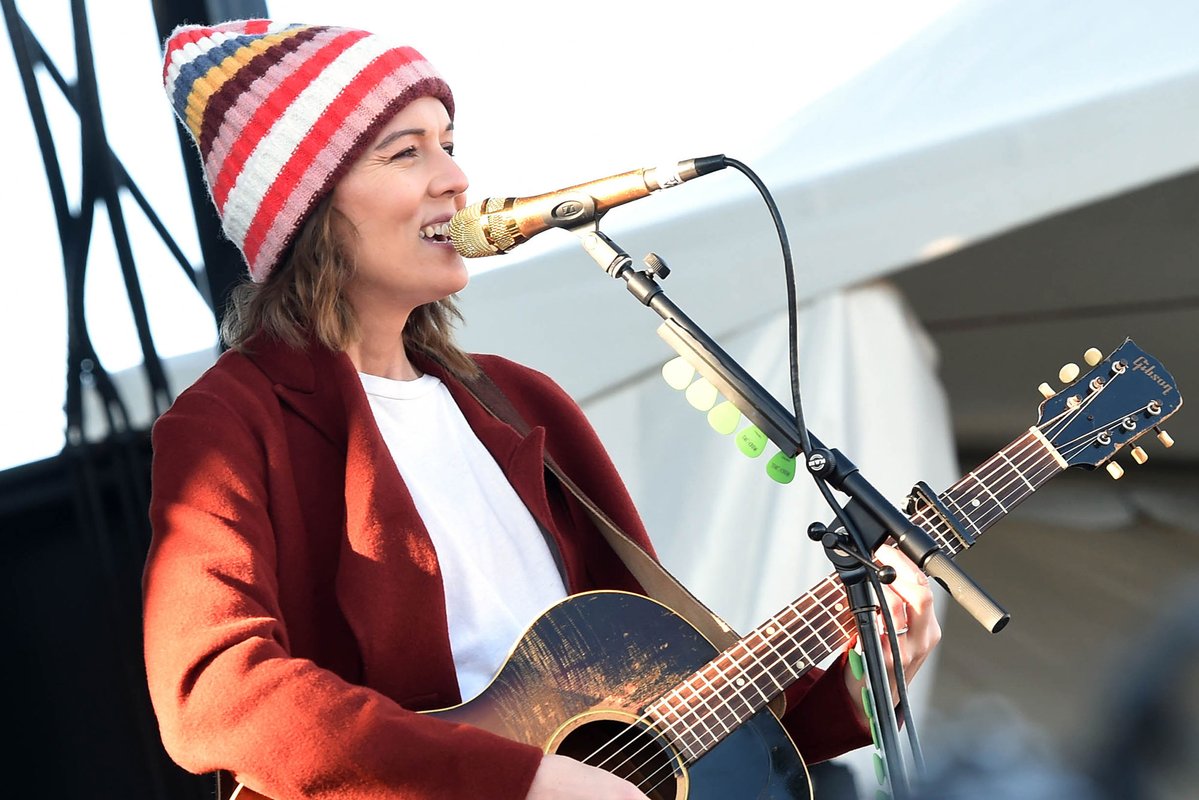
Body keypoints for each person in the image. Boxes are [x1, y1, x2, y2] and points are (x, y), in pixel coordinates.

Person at [143, 18, 941, 800]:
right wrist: (519, 782)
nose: (454, 179)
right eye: (406, 151)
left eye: (448, 144)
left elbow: (660, 714)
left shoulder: (521, 401)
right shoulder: (232, 422)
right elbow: (214, 690)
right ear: (307, 208)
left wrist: (856, 693)